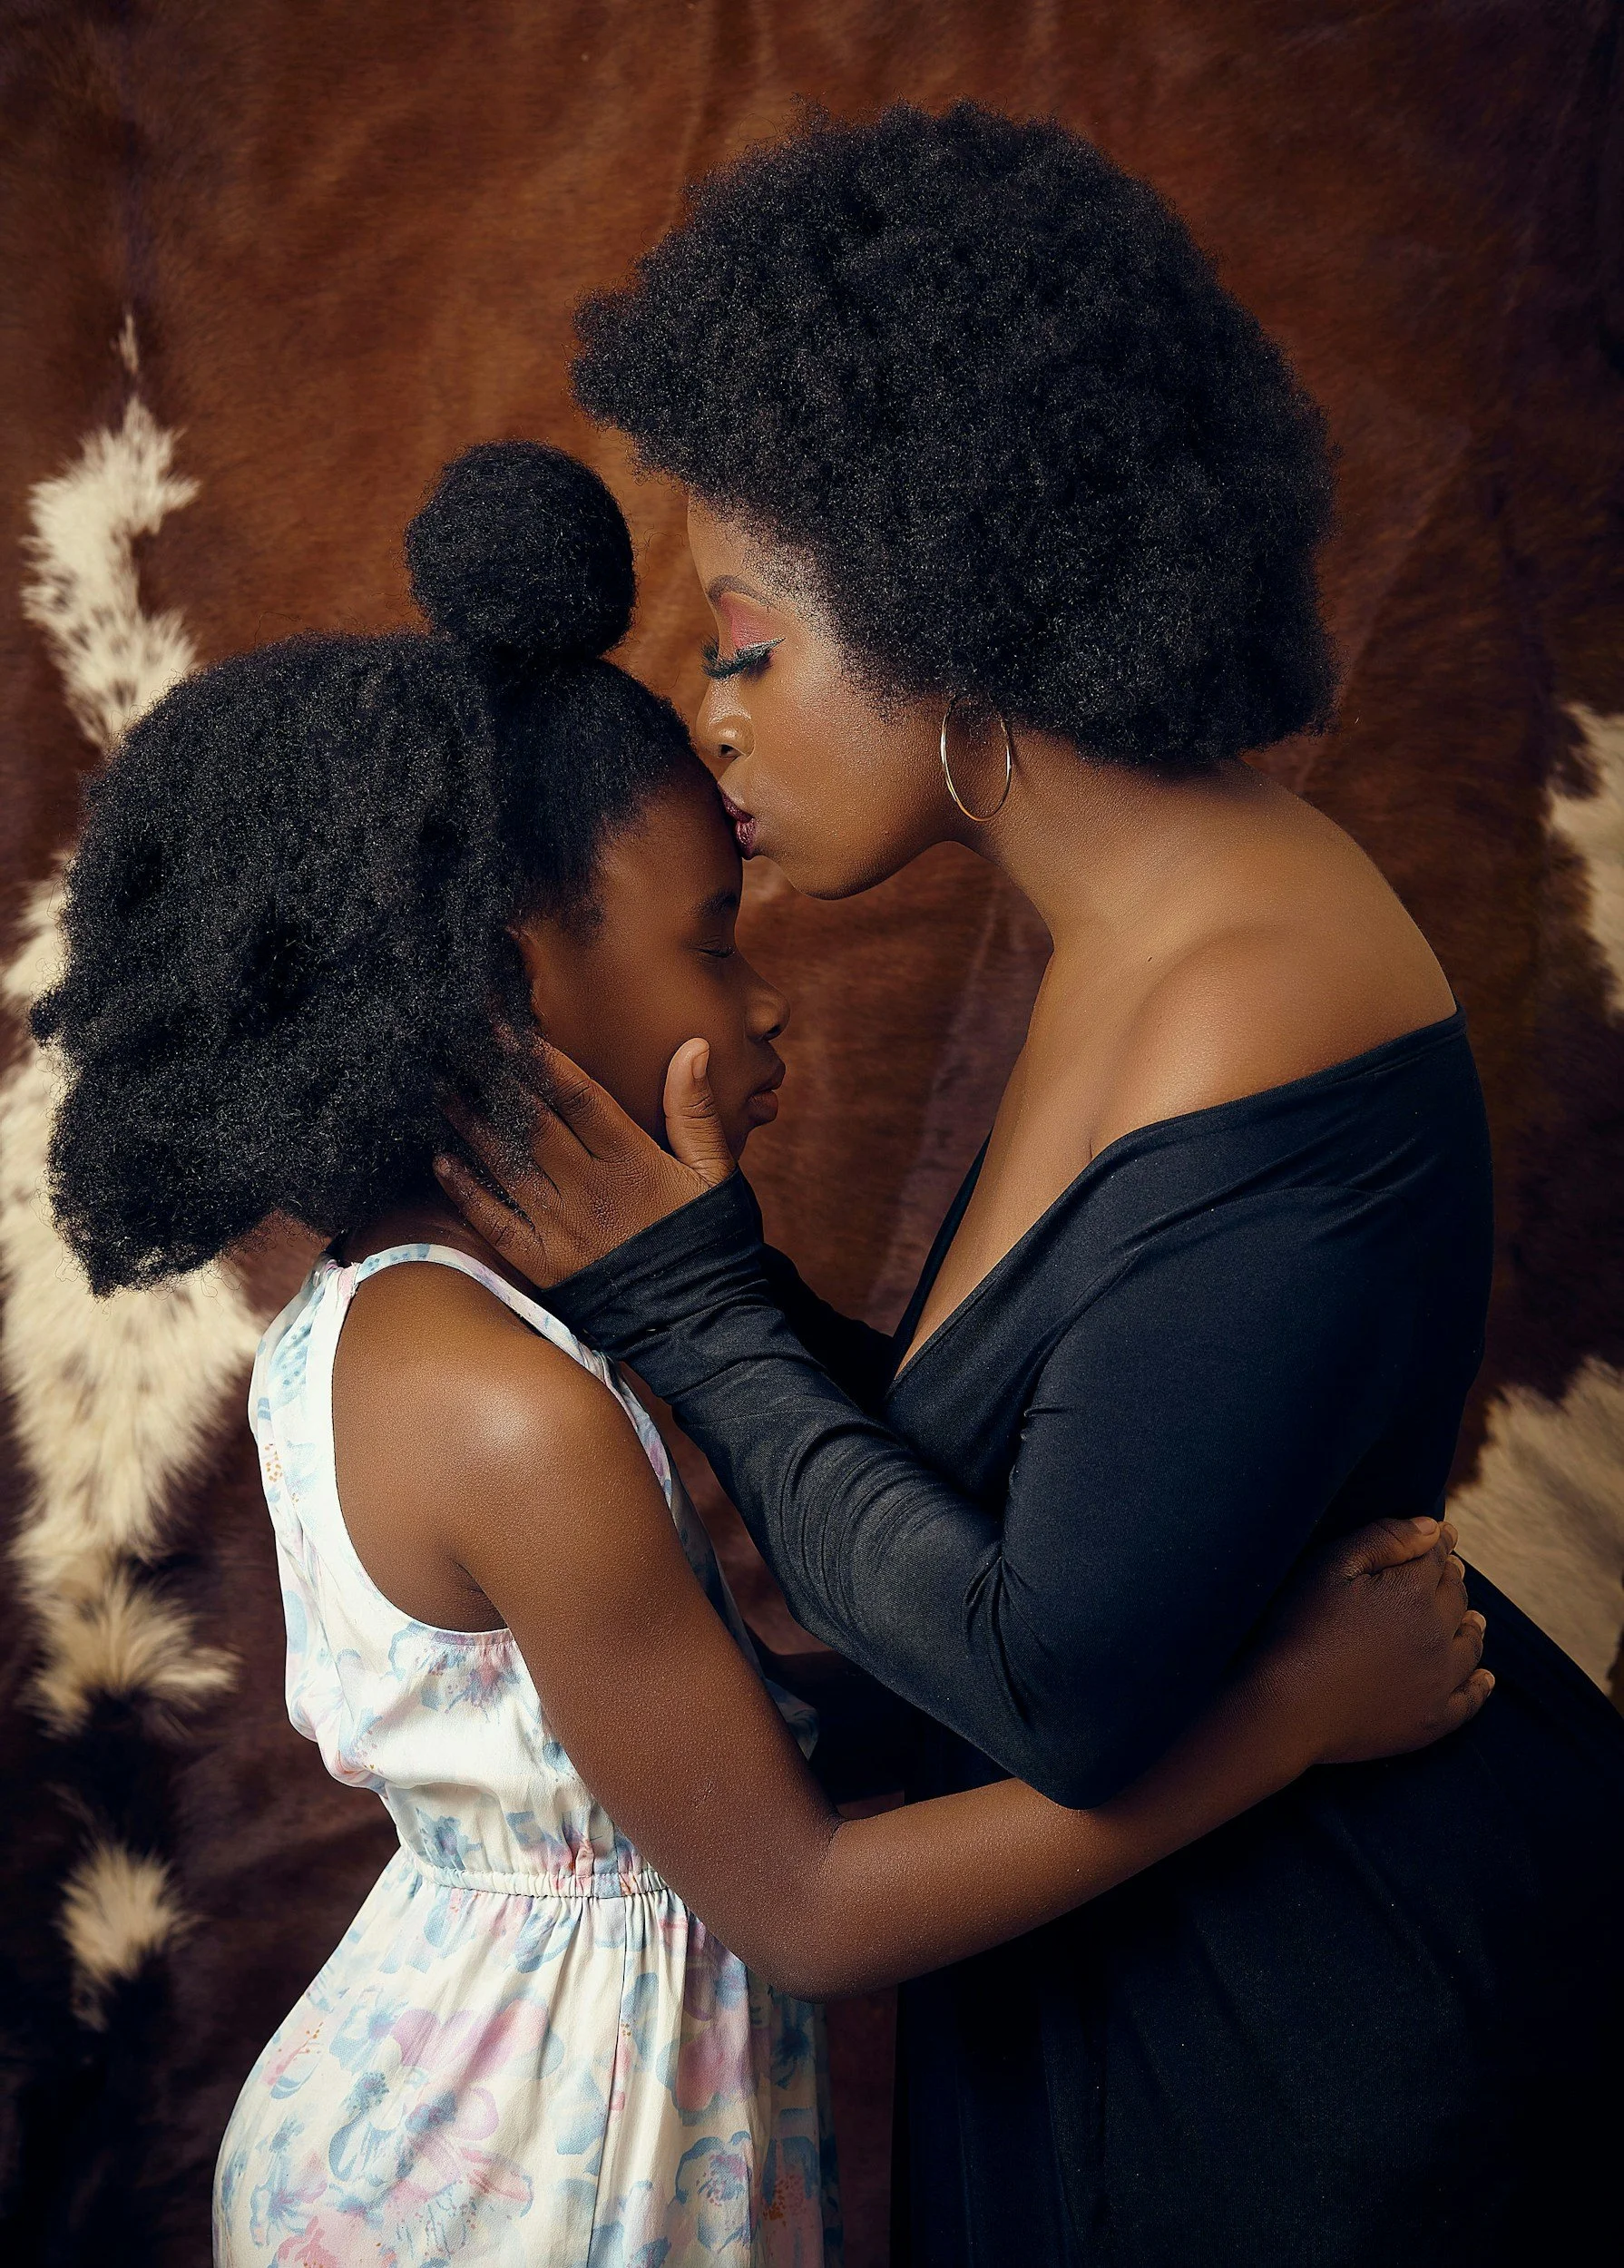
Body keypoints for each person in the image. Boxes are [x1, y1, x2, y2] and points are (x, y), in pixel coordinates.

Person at [32, 443, 1486, 2268]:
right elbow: (800, 1900)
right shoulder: (502, 1406)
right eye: (710, 942)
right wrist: (1290, 1710)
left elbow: (724, 1736)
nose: (764, 998)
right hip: (521, 2178)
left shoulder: (401, 1319)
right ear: (503, 991)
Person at [433, 109, 1624, 2266]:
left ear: (947, 599)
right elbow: (1042, 1492)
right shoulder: (1154, 934)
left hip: (1318, 2071)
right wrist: (693, 1287)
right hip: (1162, 1994)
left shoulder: (1246, 988)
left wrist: (703, 1311)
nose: (710, 715)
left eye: (746, 642)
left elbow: (1053, 1671)